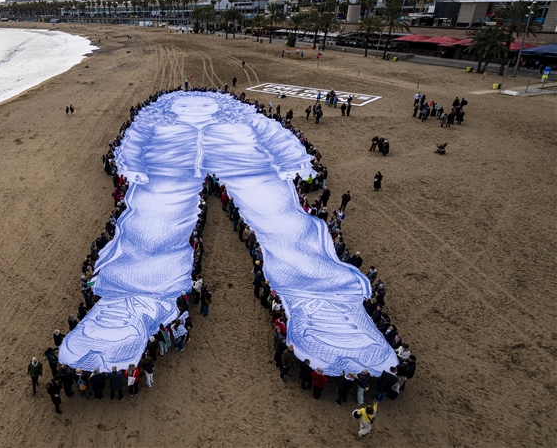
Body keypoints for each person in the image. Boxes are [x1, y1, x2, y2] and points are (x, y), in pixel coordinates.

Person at [60, 92, 395, 375]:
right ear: (174, 108)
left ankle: (326, 308)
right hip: (168, 175)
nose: (194, 108)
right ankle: (125, 307)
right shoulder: (158, 123)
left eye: (201, 105)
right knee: (150, 230)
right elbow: (133, 142)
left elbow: (279, 139)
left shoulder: (244, 121)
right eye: (186, 106)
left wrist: (291, 166)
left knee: (284, 226)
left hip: (250, 172)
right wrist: (134, 168)